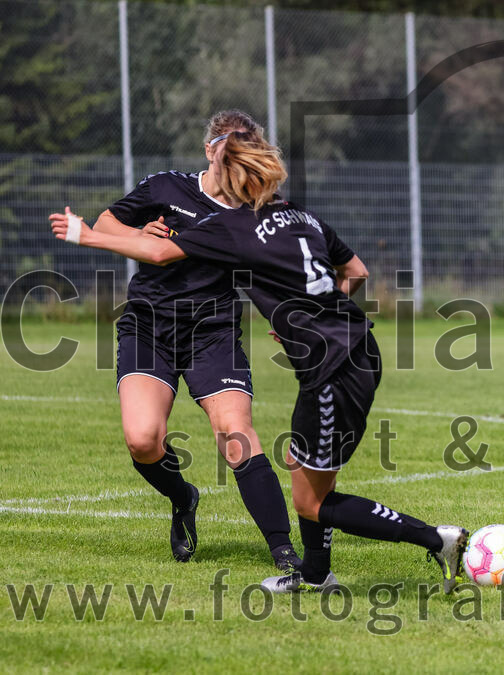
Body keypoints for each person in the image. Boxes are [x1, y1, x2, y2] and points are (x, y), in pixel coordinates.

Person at [50, 129, 469, 594]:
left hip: (324, 364)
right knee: (297, 469)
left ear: (230, 172)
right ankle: (313, 573)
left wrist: (86, 236)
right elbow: (356, 271)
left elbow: (162, 252)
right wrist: (304, 318)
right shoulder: (301, 215)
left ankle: (435, 539)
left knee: (310, 499)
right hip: (351, 351)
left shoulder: (235, 225)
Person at [94, 110, 297, 570]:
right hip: (149, 327)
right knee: (143, 440)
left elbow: (281, 270)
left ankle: (285, 553)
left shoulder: (257, 211)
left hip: (212, 332)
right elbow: (105, 223)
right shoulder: (165, 187)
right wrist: (137, 233)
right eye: (228, 149)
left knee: (236, 435)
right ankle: (183, 497)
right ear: (210, 150)